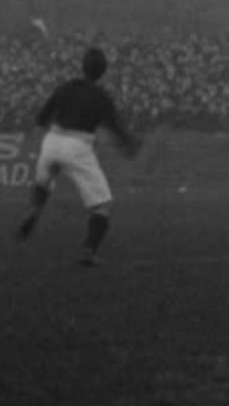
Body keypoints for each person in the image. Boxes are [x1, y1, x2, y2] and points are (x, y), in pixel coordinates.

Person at [17, 47, 141, 266]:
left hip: (52, 140)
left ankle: (34, 210)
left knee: (44, 182)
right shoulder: (101, 97)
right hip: (78, 145)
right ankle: (89, 252)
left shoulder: (65, 88)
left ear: (82, 66)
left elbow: (41, 118)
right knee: (102, 205)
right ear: (103, 71)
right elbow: (115, 128)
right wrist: (130, 145)